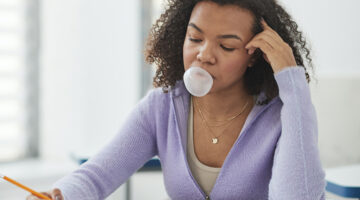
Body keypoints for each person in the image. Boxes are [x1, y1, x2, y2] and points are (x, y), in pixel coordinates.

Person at [27, 0, 326, 199]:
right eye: (195, 39)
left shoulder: (282, 115)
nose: (204, 55)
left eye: (226, 46)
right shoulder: (162, 106)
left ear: (255, 55)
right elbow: (96, 175)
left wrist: (292, 82)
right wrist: (58, 194)